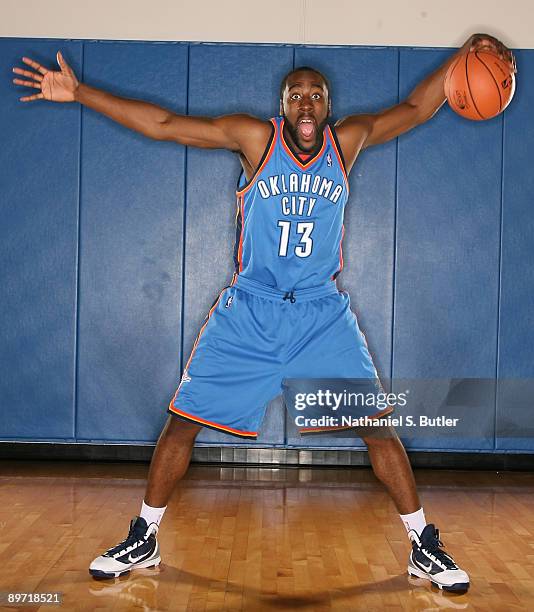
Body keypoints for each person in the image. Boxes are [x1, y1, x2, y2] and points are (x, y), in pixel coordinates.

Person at [12, 33, 514, 592]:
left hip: (321, 313)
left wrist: (462, 56)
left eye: (316, 95)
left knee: (378, 428)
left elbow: (419, 107)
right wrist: (81, 93)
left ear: (329, 107)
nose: (305, 102)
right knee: (182, 422)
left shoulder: (347, 143)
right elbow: (163, 124)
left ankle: (423, 544)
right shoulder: (255, 139)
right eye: (295, 94)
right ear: (282, 107)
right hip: (250, 310)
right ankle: (145, 533)